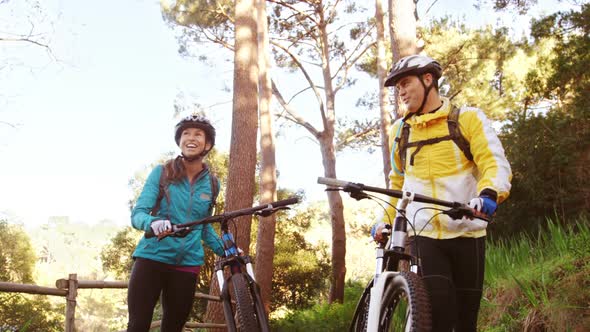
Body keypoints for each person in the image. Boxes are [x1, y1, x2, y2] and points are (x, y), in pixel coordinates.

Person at [376, 54, 512, 331]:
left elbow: (493, 162)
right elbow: (397, 183)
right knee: (437, 312)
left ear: (428, 80)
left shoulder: (467, 119)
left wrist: (489, 194)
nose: (400, 92)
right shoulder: (400, 132)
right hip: (422, 232)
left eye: (405, 83)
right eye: (397, 87)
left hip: (467, 229)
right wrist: (386, 220)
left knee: (465, 322)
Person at [127, 114, 225, 331]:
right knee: (138, 325)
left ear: (207, 144)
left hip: (187, 263)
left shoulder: (212, 183)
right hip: (152, 257)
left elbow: (204, 224)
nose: (191, 137)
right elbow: (138, 214)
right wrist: (152, 223)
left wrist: (225, 249)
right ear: (179, 141)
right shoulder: (162, 173)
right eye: (185, 133)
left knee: (173, 327)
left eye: (198, 134)